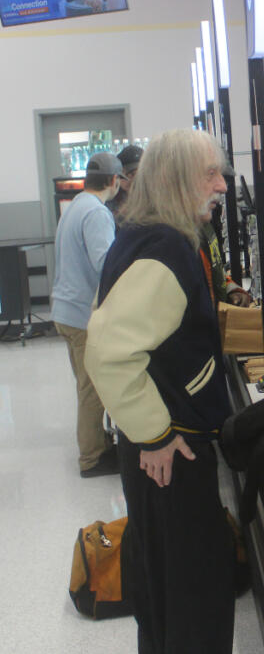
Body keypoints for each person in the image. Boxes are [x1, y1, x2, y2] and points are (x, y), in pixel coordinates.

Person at [84, 129, 236, 654]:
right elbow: (108, 352)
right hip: (171, 450)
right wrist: (155, 435)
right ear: (176, 180)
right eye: (210, 175)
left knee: (164, 586)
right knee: (192, 591)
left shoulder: (146, 234)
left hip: (158, 445)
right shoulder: (166, 250)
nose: (221, 185)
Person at [51, 152, 122, 477]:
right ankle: (92, 458)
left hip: (65, 311)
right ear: (114, 181)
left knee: (86, 384)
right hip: (82, 316)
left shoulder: (76, 205)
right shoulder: (96, 212)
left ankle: (99, 443)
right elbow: (105, 264)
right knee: (92, 387)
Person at [106, 143, 143, 221]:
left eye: (140, 174)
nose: (135, 180)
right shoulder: (109, 201)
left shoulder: (155, 199)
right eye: (131, 174)